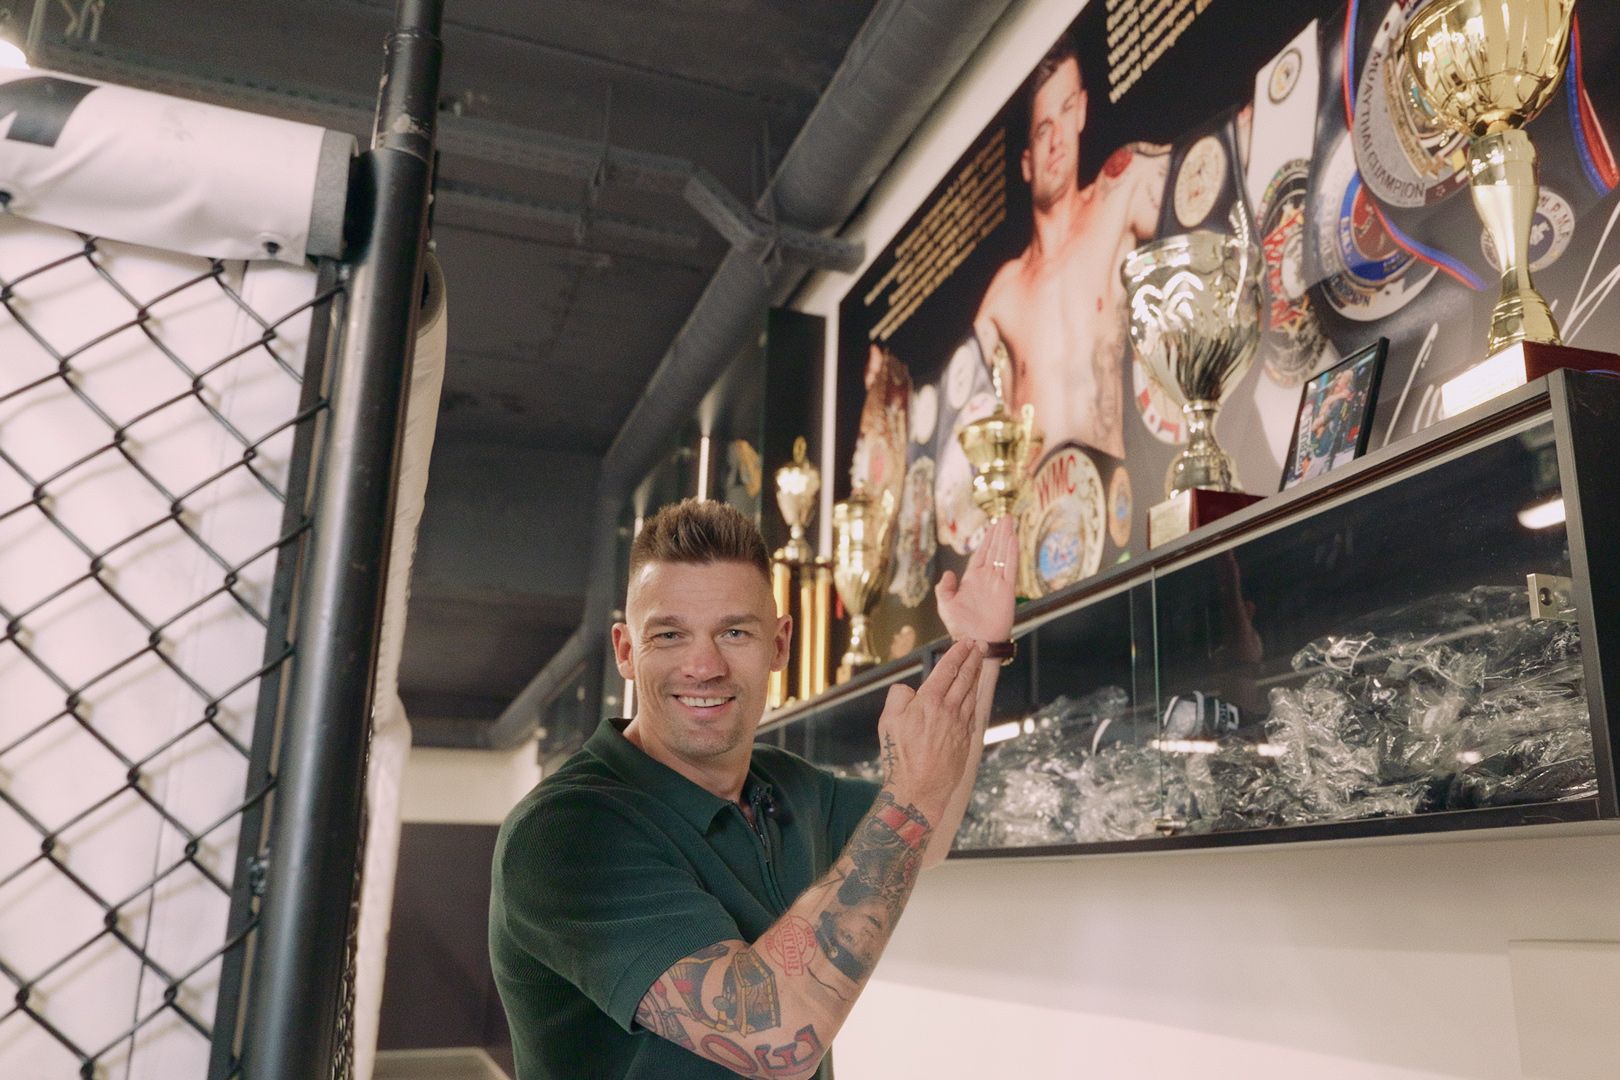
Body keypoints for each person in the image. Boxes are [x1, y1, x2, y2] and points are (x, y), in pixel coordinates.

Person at [490, 499, 1018, 1079]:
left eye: (735, 632)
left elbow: (928, 834)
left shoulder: (789, 785)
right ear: (626, 651)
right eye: (669, 634)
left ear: (779, 645)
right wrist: (910, 792)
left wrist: (981, 651)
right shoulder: (565, 831)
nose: (704, 666)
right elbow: (776, 1036)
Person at [974, 32, 1170, 461]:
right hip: (1033, 496)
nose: (1057, 139)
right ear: (1027, 163)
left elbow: (1208, 170)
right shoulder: (1004, 292)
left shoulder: (1115, 196)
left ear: (1081, 110)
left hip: (1107, 488)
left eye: (1065, 112)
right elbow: (955, 413)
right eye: (1043, 129)